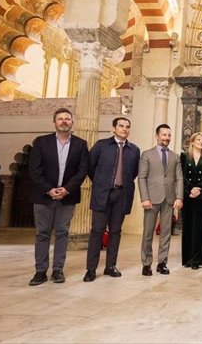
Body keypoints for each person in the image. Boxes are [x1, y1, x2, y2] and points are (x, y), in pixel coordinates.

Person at [27, 108, 89, 286]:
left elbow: (82, 171)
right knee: (42, 234)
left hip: (67, 197)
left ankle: (57, 270)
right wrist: (49, 189)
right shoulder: (41, 142)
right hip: (43, 197)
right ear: (54, 122)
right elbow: (35, 170)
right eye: (60, 119)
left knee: (62, 233)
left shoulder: (80, 144)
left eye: (67, 119)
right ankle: (40, 271)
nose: (64, 121)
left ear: (72, 122)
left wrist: (66, 189)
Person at [83, 117, 140, 282]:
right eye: (121, 126)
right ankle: (91, 269)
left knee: (115, 232)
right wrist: (101, 182)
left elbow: (133, 172)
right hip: (102, 194)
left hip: (122, 195)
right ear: (114, 128)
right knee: (97, 231)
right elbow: (90, 166)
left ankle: (110, 266)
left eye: (127, 126)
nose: (124, 129)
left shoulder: (134, 150)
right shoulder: (101, 146)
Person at [138, 124, 183, 277]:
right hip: (151, 198)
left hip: (169, 199)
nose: (166, 138)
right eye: (164, 135)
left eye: (169, 135)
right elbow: (142, 177)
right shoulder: (146, 155)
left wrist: (179, 197)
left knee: (166, 232)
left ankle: (162, 262)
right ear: (157, 136)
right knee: (148, 233)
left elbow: (179, 178)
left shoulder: (175, 156)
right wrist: (145, 198)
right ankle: (146, 263)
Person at [180, 132, 202, 269]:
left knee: (200, 228)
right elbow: (180, 175)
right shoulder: (183, 157)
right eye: (198, 139)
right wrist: (190, 190)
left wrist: (199, 189)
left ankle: (197, 260)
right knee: (187, 226)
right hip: (187, 196)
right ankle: (187, 259)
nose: (201, 142)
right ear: (192, 142)